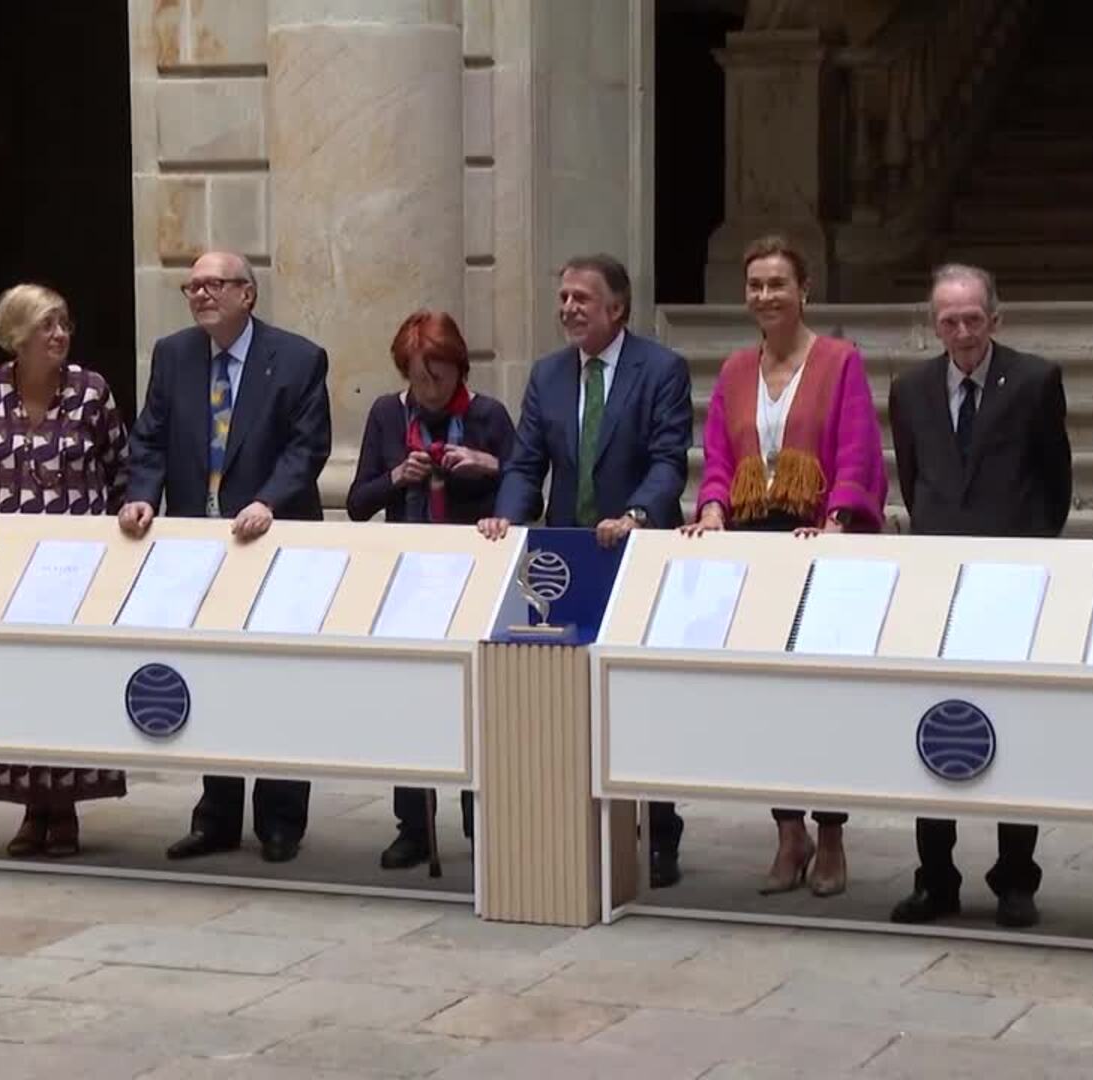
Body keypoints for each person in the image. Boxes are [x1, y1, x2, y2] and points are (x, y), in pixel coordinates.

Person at [477, 253, 694, 888]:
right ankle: (571, 828)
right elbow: (525, 464)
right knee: (564, 700)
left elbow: (668, 461)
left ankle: (658, 834)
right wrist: (506, 519)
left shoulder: (661, 369)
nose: (568, 308)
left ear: (616, 309)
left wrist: (636, 514)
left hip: (636, 554)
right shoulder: (548, 375)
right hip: (566, 560)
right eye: (563, 297)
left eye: (581, 298)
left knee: (643, 702)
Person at [681, 235, 885, 899]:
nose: (765, 295)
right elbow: (718, 454)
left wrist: (838, 521)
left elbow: (857, 450)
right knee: (765, 700)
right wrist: (714, 509)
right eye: (755, 285)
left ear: (804, 292)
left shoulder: (839, 362)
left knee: (823, 699)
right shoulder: (736, 370)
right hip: (754, 549)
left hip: (819, 545)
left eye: (777, 284)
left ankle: (831, 833)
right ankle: (788, 831)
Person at [121, 250, 333, 865]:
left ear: (248, 294)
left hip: (272, 543)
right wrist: (142, 495)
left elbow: (307, 449)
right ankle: (216, 816)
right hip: (198, 546)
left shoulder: (297, 359)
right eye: (192, 286)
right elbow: (150, 438)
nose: (201, 294)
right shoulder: (173, 355)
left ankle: (281, 819)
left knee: (276, 681)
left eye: (214, 284)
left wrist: (268, 501)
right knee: (209, 676)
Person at [885, 263, 1072, 929]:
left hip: (1014, 582)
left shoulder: (1035, 381)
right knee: (933, 724)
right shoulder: (910, 390)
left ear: (995, 318)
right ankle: (935, 877)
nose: (962, 333)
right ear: (933, 325)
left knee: (1013, 730)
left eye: (972, 319)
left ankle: (1016, 878)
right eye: (949, 321)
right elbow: (915, 477)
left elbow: (1055, 484)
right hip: (938, 584)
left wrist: (1024, 555)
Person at [0, 284, 130, 858]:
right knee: (18, 680)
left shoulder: (91, 390)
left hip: (78, 565)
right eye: (46, 325)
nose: (60, 334)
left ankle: (64, 809)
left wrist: (122, 542)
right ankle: (31, 807)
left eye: (64, 323)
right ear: (16, 334)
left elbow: (120, 467)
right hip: (13, 564)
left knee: (69, 682)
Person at [347, 310, 515, 870]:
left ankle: (480, 821)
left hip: (472, 575)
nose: (431, 390)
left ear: (459, 368)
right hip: (408, 575)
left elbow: (527, 490)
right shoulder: (387, 414)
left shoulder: (488, 415)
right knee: (410, 703)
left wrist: (489, 465)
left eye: (439, 376)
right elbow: (357, 503)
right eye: (419, 378)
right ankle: (413, 827)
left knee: (477, 704)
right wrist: (398, 476)